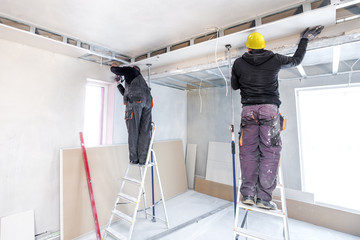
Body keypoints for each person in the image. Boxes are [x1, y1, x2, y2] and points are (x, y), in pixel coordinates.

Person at [231, 26, 323, 209]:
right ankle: (264, 198)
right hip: (269, 111)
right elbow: (296, 60)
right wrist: (305, 39)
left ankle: (248, 195)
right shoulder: (274, 59)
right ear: (264, 46)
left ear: (248, 48)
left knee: (248, 152)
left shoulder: (239, 63)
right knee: (270, 152)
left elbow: (234, 86)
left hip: (248, 111)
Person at [110, 63, 152, 165]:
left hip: (136, 104)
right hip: (147, 102)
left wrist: (113, 66)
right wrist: (119, 84)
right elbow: (127, 94)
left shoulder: (131, 70)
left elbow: (115, 70)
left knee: (133, 131)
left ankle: (134, 159)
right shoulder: (140, 82)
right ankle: (143, 160)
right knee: (145, 131)